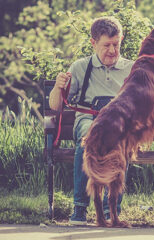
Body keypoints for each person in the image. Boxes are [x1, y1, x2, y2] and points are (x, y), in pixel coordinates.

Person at [48, 16, 134, 225]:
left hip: (117, 123)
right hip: (89, 118)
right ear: (93, 43)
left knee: (121, 144)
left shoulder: (131, 68)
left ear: (121, 39)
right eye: (106, 45)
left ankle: (110, 209)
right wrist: (58, 87)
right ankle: (80, 209)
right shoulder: (80, 67)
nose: (112, 51)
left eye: (116, 44)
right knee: (87, 140)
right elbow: (55, 106)